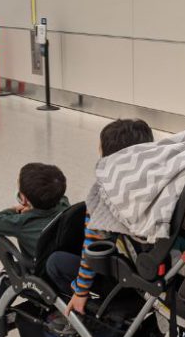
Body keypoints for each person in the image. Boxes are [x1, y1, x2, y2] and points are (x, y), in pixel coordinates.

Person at [46, 118, 156, 316]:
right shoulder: (158, 185)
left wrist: (81, 291)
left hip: (124, 279)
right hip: (152, 270)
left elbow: (92, 249)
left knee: (55, 262)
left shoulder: (104, 196)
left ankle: (93, 309)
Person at [0, 163, 69, 323]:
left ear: (24, 198)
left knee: (9, 271)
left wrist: (15, 209)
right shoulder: (65, 205)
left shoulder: (23, 222)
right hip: (64, 270)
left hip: (40, 276)